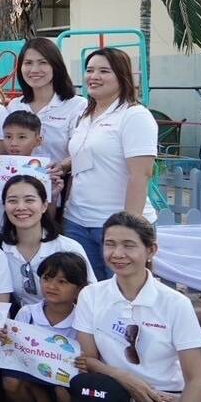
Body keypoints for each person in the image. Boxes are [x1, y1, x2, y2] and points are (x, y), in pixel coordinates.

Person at [69, 213, 201, 402]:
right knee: (86, 386)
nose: (118, 254)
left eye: (129, 245)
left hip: (162, 399)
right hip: (117, 393)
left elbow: (196, 378)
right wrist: (126, 378)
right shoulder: (91, 295)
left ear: (151, 250)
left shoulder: (175, 304)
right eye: (109, 244)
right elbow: (90, 362)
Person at [60, 48, 157, 279]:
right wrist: (63, 165)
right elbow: (87, 154)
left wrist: (127, 229)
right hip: (77, 221)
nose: (94, 76)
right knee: (88, 295)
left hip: (114, 226)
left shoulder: (135, 116)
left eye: (104, 71)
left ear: (122, 76)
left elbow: (140, 175)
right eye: (90, 70)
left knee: (122, 295)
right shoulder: (86, 115)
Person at [0, 251, 89, 402]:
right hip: (32, 373)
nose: (52, 286)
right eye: (46, 278)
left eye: (62, 281)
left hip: (66, 379)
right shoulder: (28, 313)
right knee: (10, 382)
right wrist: (6, 339)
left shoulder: (83, 318)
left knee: (63, 391)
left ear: (79, 289)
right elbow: (13, 351)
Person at [0, 175, 91, 306]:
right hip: (18, 323)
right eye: (12, 201)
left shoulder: (69, 248)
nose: (21, 207)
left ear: (44, 205)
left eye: (29, 200)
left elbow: (90, 297)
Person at [6, 37, 85, 163]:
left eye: (43, 62)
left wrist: (63, 168)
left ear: (56, 66)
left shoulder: (77, 105)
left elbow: (82, 151)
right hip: (19, 181)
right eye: (28, 63)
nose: (34, 70)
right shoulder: (14, 106)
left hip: (60, 181)